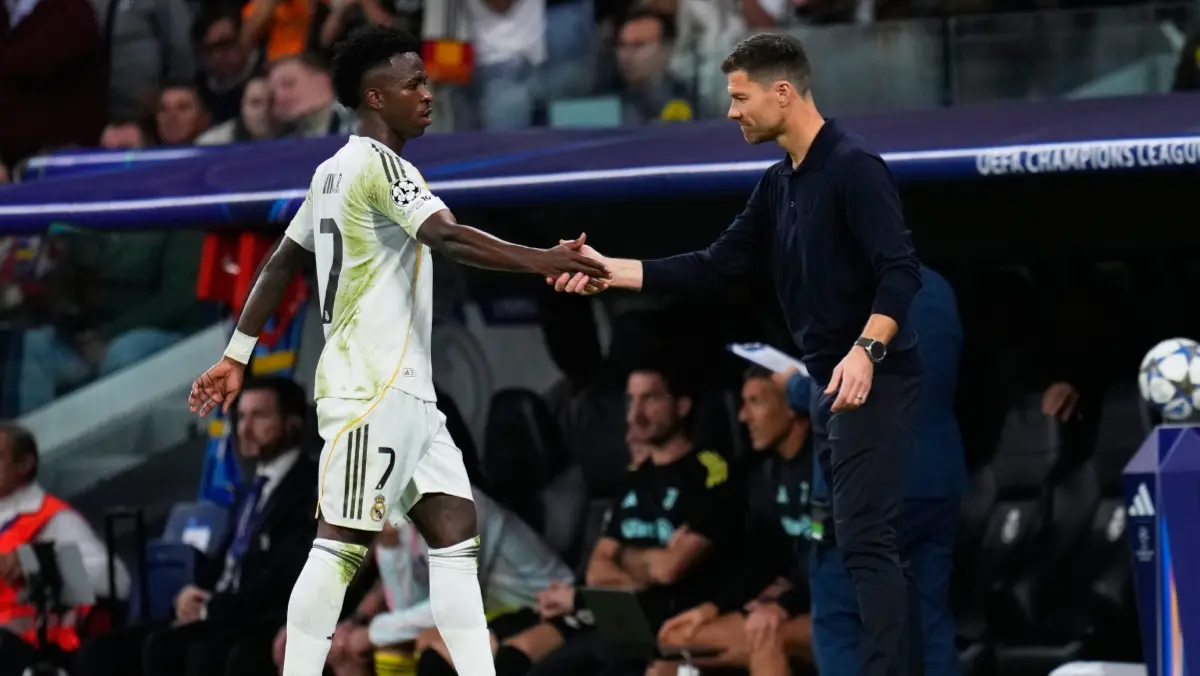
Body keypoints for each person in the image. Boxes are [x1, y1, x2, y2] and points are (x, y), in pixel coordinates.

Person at [187, 23, 608, 676]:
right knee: (340, 548)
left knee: (454, 539)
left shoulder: (332, 172)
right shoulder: (383, 167)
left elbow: (279, 263)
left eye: (426, 80)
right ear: (374, 97)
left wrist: (239, 353)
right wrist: (545, 259)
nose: (427, 93)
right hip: (370, 392)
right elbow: (452, 238)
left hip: (410, 393)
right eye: (412, 83)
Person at [552, 33, 924, 676]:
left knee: (867, 542)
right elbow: (713, 267)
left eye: (739, 97)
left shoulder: (854, 165)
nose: (731, 112)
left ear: (783, 92)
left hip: (874, 379)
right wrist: (607, 270)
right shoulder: (780, 184)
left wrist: (865, 352)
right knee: (843, 543)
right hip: (830, 383)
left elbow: (900, 272)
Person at [483, 363, 742, 676]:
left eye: (650, 399)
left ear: (682, 405)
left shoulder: (709, 471)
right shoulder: (635, 479)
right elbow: (597, 569)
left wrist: (623, 558)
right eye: (632, 400)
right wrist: (640, 567)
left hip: (672, 622)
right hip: (619, 619)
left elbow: (670, 569)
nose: (636, 412)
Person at [784, 264, 965, 676]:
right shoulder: (938, 287)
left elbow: (834, 387)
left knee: (841, 621)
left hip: (865, 482)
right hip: (936, 480)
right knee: (930, 623)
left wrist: (792, 386)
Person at [76, 377, 318, 676]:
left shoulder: (310, 487)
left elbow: (283, 574)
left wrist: (214, 606)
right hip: (218, 607)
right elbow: (225, 555)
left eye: (260, 416)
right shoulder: (250, 489)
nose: (245, 428)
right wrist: (194, 591)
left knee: (172, 648)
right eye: (241, 416)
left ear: (293, 423)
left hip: (255, 614)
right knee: (100, 651)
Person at [653, 367, 816, 676]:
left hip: (846, 609)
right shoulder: (770, 475)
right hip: (799, 602)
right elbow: (768, 557)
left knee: (766, 637)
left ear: (794, 406)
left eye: (755, 402)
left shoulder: (827, 467)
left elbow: (833, 559)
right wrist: (712, 608)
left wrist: (784, 604)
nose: (743, 417)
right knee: (674, 640)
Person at [0, 423, 130, 676]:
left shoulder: (53, 519)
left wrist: (33, 564)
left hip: (34, 644)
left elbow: (117, 580)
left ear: (25, 464)